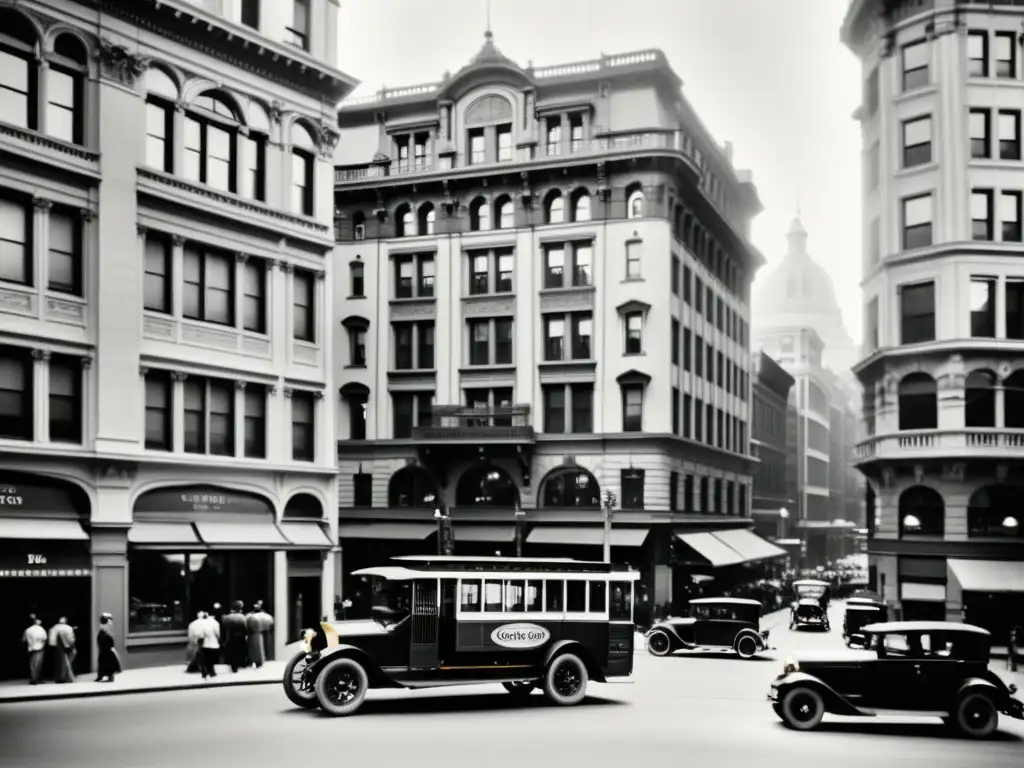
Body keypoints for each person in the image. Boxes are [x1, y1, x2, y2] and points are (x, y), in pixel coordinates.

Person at [221, 601, 248, 673]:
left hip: (231, 638)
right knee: (239, 652)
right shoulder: (243, 617)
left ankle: (234, 666)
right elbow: (245, 629)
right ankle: (239, 664)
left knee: (232, 653)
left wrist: (223, 640)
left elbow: (223, 630)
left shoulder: (227, 617)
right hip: (240, 638)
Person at [246, 601, 273, 668]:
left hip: (252, 635)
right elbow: (270, 624)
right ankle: (260, 662)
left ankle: (252, 661)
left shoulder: (249, 616)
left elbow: (246, 625)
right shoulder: (266, 616)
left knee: (253, 649)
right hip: (261, 634)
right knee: (261, 649)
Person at [48, 617, 76, 684]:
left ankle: (60, 678)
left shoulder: (54, 628)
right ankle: (67, 678)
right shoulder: (68, 628)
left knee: (59, 663)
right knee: (67, 663)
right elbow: (71, 639)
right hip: (66, 647)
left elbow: (51, 641)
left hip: (57, 648)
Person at [95, 613, 121, 682]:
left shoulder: (103, 627)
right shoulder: (107, 626)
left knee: (105, 663)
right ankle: (107, 676)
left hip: (106, 648)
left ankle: (105, 676)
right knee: (107, 662)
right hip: (107, 648)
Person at [22, 617, 47, 685]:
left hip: (30, 648)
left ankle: (35, 678)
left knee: (32, 664)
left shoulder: (28, 629)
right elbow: (44, 639)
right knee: (38, 664)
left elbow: (23, 640)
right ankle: (35, 679)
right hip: (39, 648)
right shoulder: (41, 629)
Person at [199, 610, 221, 679]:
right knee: (212, 659)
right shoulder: (215, 623)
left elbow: (201, 635)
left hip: (206, 643)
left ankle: (207, 672)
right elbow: (218, 634)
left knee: (206, 658)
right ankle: (212, 672)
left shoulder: (203, 623)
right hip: (214, 643)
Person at [186, 611, 208, 678]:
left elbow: (190, 636)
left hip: (196, 642)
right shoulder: (207, 623)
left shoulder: (192, 624)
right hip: (205, 642)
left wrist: (192, 642)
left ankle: (195, 667)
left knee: (196, 655)